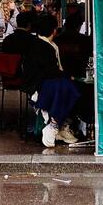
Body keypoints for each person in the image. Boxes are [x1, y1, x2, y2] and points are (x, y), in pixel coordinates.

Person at [24, 14, 80, 147]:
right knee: (69, 88)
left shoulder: (45, 44)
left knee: (69, 87)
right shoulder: (44, 46)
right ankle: (55, 124)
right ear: (53, 30)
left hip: (44, 81)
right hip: (40, 83)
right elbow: (50, 71)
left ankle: (61, 125)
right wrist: (68, 76)